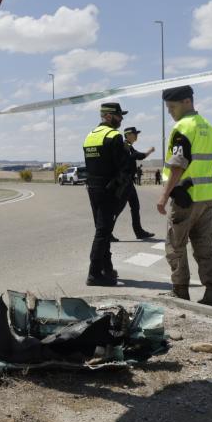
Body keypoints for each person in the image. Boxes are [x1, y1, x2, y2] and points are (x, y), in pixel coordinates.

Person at [155, 85, 212, 307]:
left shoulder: (183, 127)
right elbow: (211, 163)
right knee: (205, 246)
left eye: (172, 107)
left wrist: (164, 196)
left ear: (187, 102)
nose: (170, 112)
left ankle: (180, 291)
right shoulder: (208, 127)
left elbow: (177, 165)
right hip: (206, 197)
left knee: (175, 245)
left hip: (185, 196)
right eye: (167, 108)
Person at [82, 102, 130, 286]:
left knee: (103, 229)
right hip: (109, 190)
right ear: (109, 116)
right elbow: (124, 168)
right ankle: (94, 273)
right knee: (103, 232)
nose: (121, 119)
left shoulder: (90, 136)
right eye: (119, 115)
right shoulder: (114, 136)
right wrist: (120, 189)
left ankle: (107, 268)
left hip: (93, 189)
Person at [117, 126, 156, 240]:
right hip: (125, 182)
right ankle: (107, 232)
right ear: (128, 135)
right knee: (118, 208)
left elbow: (136, 155)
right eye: (135, 134)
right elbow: (138, 156)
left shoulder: (128, 146)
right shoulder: (125, 146)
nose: (136, 136)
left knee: (135, 206)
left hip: (128, 182)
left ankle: (139, 232)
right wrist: (150, 151)